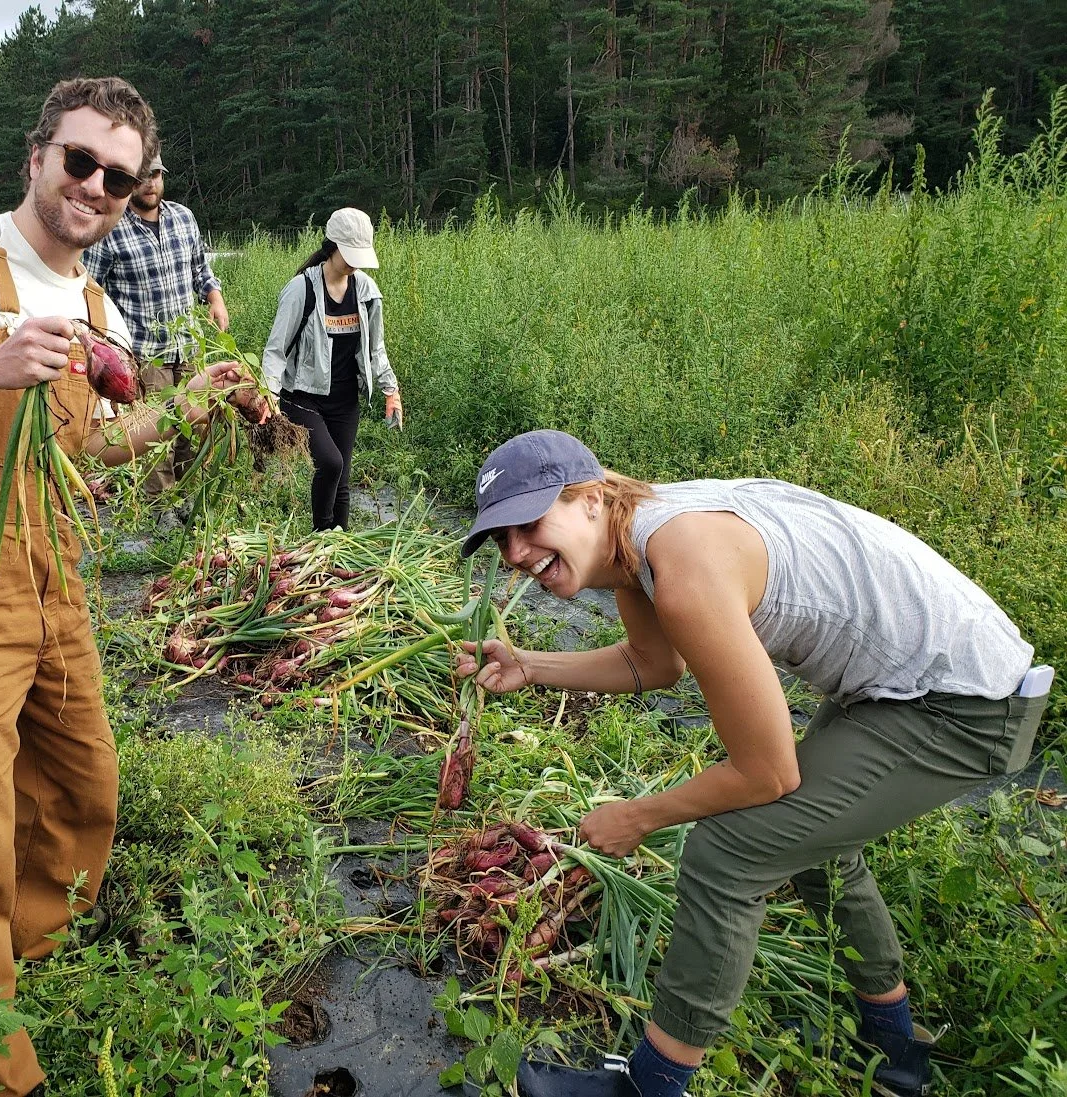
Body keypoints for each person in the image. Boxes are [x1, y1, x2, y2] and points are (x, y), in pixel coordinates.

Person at [0, 76, 261, 1096]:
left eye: (116, 175)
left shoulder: (93, 298)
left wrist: (191, 404)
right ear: (36, 158)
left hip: (50, 565)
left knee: (81, 786)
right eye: (79, 161)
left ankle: (8, 955)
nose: (94, 186)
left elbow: (95, 445)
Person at [454, 430, 1048, 1097]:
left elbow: (767, 772)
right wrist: (530, 664)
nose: (516, 553)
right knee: (811, 844)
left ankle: (650, 1086)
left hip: (960, 703)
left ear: (588, 497)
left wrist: (637, 815)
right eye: (501, 539)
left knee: (731, 848)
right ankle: (895, 1046)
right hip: (906, 686)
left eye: (528, 524)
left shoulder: (683, 565)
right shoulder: (631, 537)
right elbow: (652, 662)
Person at [84, 150, 227, 498]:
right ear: (129, 182)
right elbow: (89, 290)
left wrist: (215, 297)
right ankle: (160, 509)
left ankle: (187, 498)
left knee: (192, 426)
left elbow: (200, 271)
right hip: (145, 354)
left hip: (187, 347)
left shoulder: (183, 218)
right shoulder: (111, 231)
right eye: (142, 177)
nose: (151, 184)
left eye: (156, 175)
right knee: (154, 434)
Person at [261, 208, 403, 531]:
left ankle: (339, 549)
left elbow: (375, 349)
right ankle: (321, 539)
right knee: (330, 462)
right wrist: (268, 396)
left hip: (344, 399)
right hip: (302, 398)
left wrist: (390, 390)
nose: (354, 263)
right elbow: (275, 350)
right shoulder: (302, 290)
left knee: (342, 478)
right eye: (349, 254)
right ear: (332, 246)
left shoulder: (366, 292)